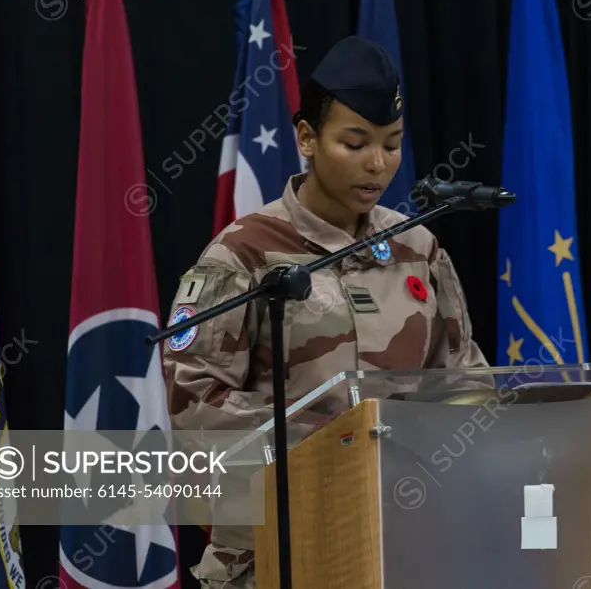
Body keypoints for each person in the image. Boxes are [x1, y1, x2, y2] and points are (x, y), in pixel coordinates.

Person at [162, 35, 490, 589]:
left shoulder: (418, 248)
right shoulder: (245, 252)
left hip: (402, 544)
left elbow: (461, 378)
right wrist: (339, 445)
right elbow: (194, 401)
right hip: (279, 552)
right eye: (355, 143)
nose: (378, 164)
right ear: (308, 138)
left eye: (392, 144)